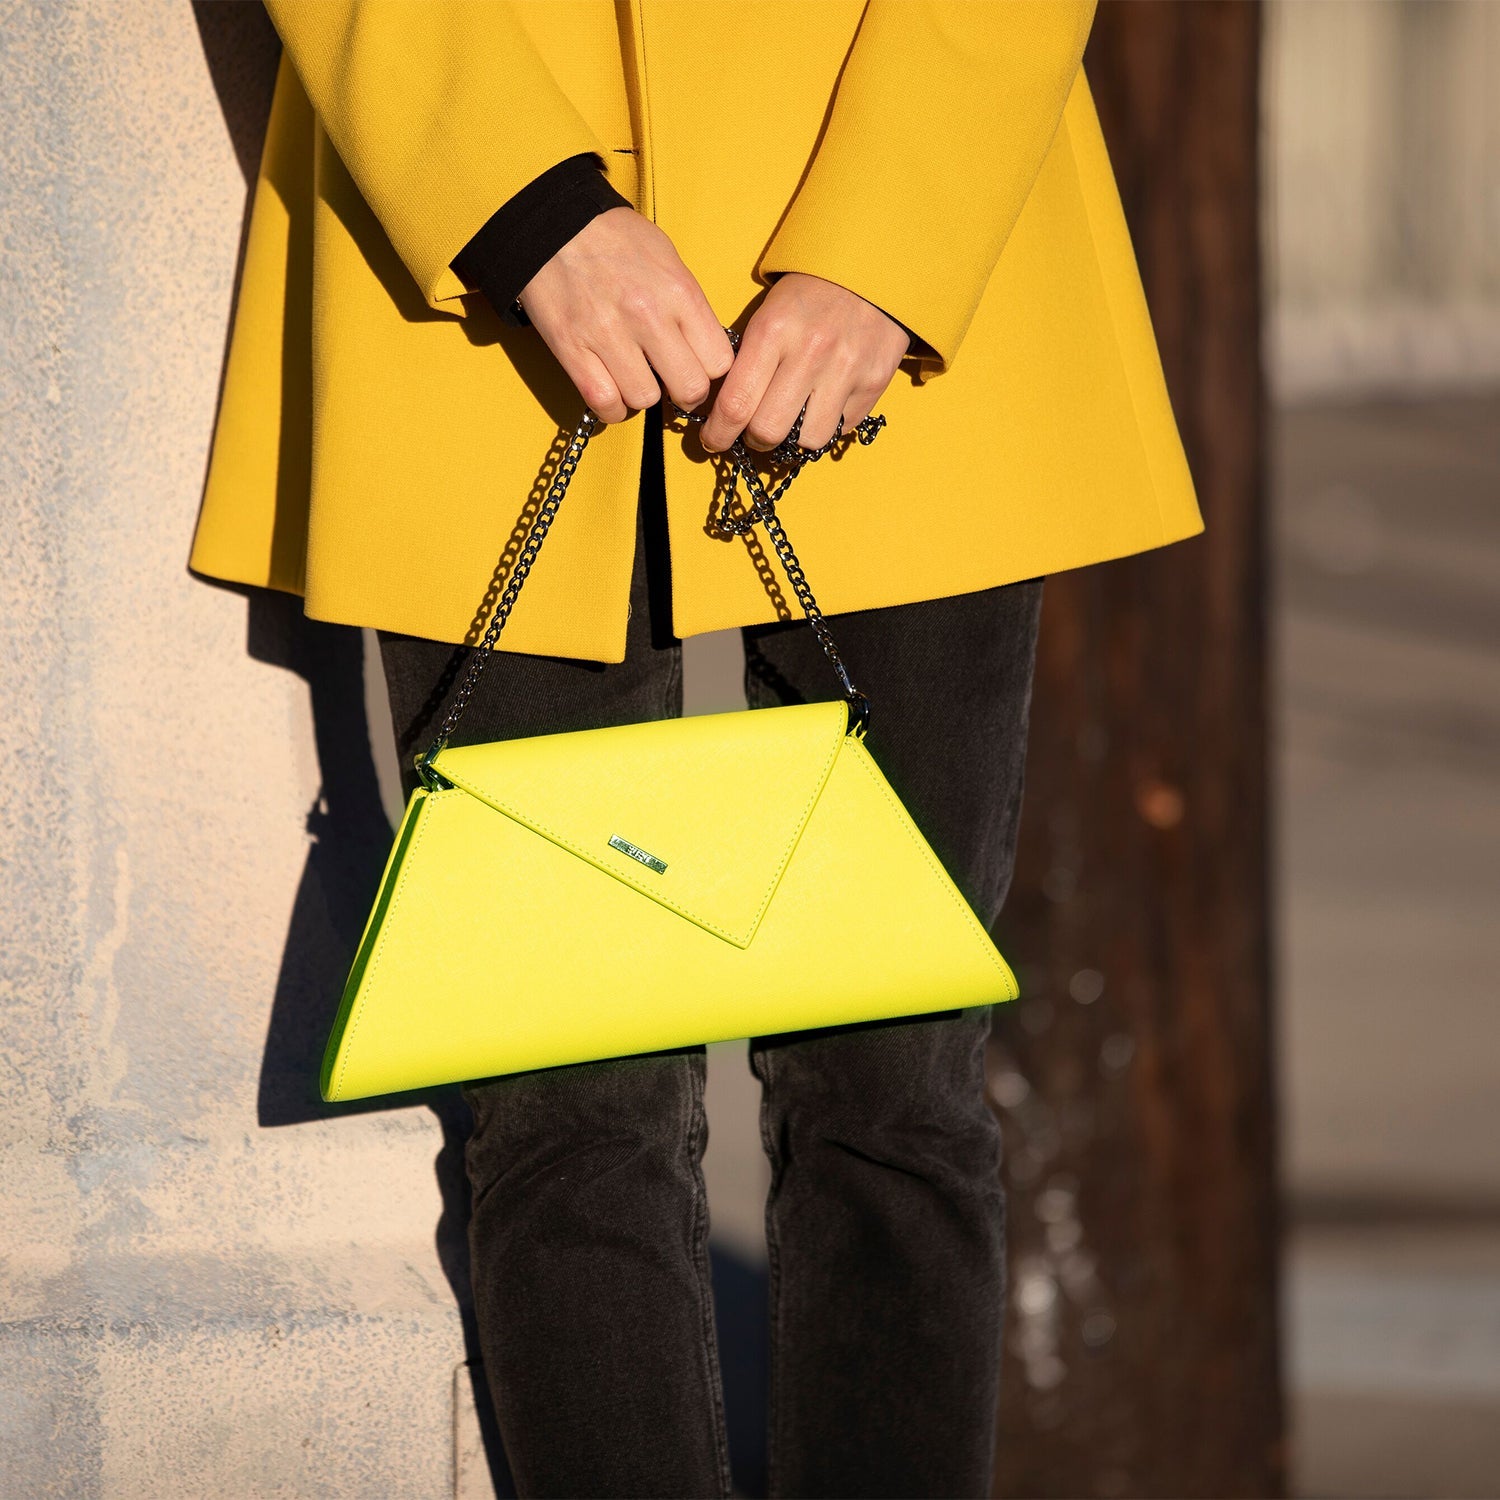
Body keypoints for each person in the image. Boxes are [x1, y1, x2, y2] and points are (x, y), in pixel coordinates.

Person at [190, 4, 1201, 1495]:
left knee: (898, 1084)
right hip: (483, 291)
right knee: (565, 1112)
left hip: (893, 269)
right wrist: (511, 192)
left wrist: (886, 236)